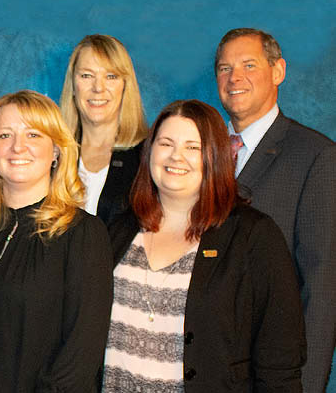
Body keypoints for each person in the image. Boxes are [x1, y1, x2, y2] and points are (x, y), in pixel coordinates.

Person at [104, 99, 305, 392]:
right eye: (166, 144)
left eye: (193, 147)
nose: (176, 157)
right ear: (149, 151)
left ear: (216, 156)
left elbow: (280, 359)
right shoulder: (120, 229)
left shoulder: (254, 237)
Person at [0, 90, 113, 393]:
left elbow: (79, 358)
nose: (17, 147)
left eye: (33, 135)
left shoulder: (83, 235)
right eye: (4, 135)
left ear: (56, 150)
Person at [214, 28, 335, 392]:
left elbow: (322, 287)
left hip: (269, 375)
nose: (234, 78)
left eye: (248, 65)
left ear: (278, 71)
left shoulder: (316, 156)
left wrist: (306, 386)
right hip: (203, 367)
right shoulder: (199, 153)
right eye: (224, 68)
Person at [59, 34, 148, 226]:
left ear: (125, 85)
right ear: (73, 85)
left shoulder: (148, 157)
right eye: (86, 75)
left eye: (111, 76)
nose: (98, 88)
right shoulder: (52, 154)